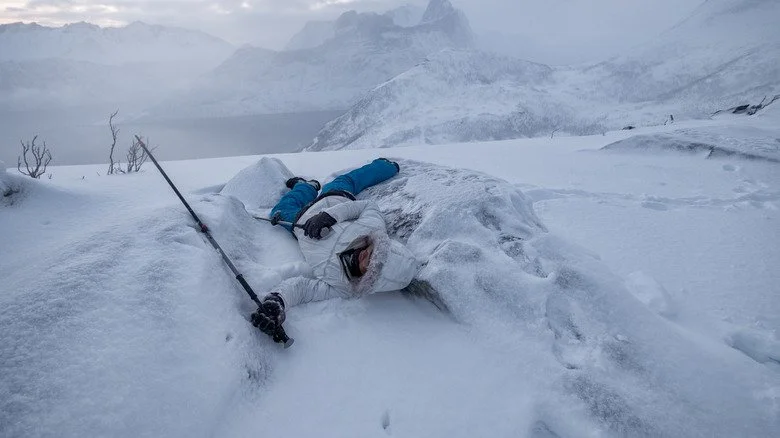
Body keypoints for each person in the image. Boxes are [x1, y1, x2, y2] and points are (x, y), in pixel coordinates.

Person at [251, 158, 420, 337]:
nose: (364, 253)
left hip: (299, 221)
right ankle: (385, 166)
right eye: (371, 250)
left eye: (369, 263)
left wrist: (278, 301)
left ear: (372, 279)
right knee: (349, 180)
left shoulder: (343, 286)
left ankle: (304, 186)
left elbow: (302, 289)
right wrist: (330, 216)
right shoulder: (373, 228)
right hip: (333, 199)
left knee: (281, 210)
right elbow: (367, 206)